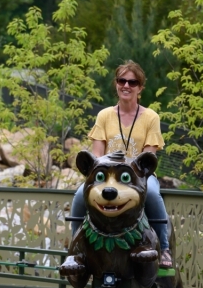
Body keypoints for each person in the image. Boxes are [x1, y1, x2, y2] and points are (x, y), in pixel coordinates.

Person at [69, 61, 173, 268]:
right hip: (108, 176)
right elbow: (97, 155)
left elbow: (149, 157)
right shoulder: (105, 115)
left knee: (152, 194)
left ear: (140, 87)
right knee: (81, 194)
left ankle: (164, 247)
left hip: (138, 177)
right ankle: (75, 249)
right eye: (121, 80)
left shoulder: (151, 117)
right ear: (116, 84)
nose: (126, 85)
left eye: (132, 82)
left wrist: (130, 171)